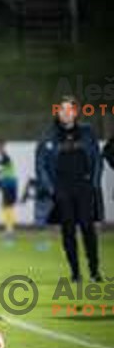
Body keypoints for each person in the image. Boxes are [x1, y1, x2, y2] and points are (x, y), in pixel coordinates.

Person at [36, 96, 103, 282]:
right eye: (62, 109)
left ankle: (94, 270)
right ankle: (75, 272)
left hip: (83, 187)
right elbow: (40, 165)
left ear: (75, 112)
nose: (65, 112)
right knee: (68, 231)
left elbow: (97, 159)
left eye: (69, 109)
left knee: (88, 228)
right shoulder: (49, 136)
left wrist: (94, 184)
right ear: (57, 113)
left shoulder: (87, 133)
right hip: (62, 190)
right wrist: (52, 190)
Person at [0, 141, 18, 235]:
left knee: (7, 206)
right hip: (9, 183)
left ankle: (9, 229)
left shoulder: (6, 157)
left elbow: (0, 166)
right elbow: (0, 169)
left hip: (8, 184)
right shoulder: (5, 158)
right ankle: (9, 228)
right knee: (8, 206)